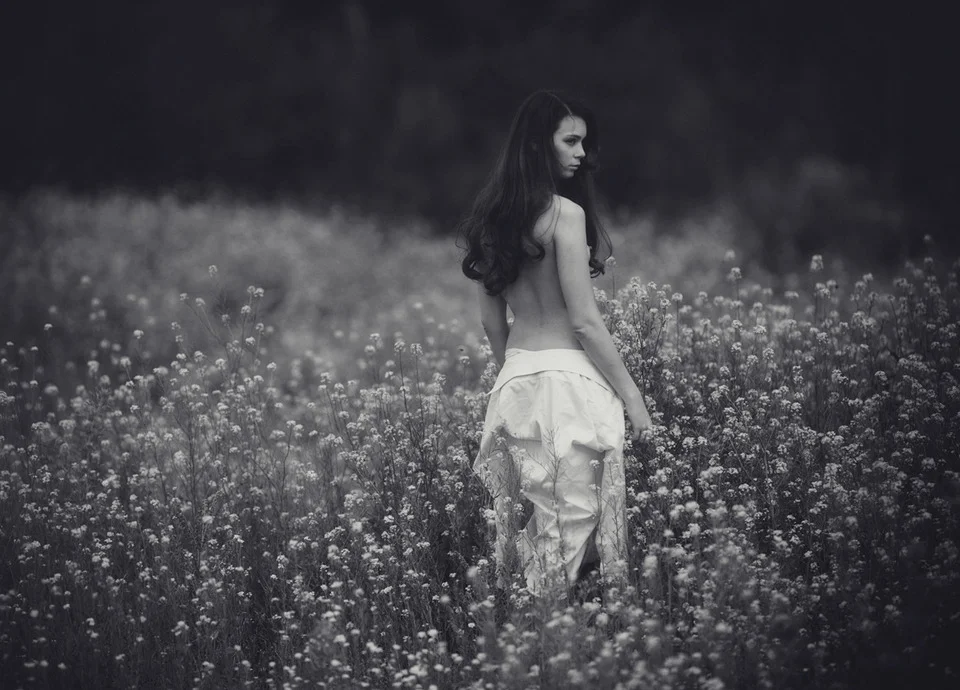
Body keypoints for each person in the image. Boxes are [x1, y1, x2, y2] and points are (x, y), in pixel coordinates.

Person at [457, 90, 653, 598]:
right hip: (570, 383)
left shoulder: (490, 220)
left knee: (529, 517)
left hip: (515, 380)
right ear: (536, 145)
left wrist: (516, 373)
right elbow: (585, 323)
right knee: (578, 523)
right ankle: (552, 623)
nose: (581, 153)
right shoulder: (565, 214)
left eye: (583, 142)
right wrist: (633, 399)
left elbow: (492, 324)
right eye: (570, 141)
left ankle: (526, 619)